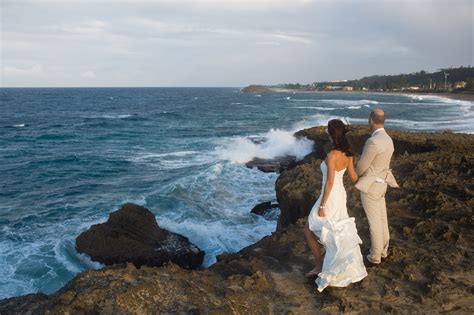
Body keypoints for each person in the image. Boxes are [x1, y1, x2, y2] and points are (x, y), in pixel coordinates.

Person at [304, 119, 367, 292]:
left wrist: (323, 205)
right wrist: (369, 183)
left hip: (330, 196)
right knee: (334, 230)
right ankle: (331, 263)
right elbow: (354, 177)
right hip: (340, 196)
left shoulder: (332, 155)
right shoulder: (348, 154)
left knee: (310, 230)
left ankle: (320, 267)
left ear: (332, 135)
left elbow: (330, 182)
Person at [355, 108, 398, 264]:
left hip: (371, 186)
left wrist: (356, 174)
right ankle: (384, 250)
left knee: (374, 222)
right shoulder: (388, 139)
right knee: (382, 219)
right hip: (383, 183)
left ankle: (375, 256)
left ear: (371, 120)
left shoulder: (373, 141)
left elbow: (361, 166)